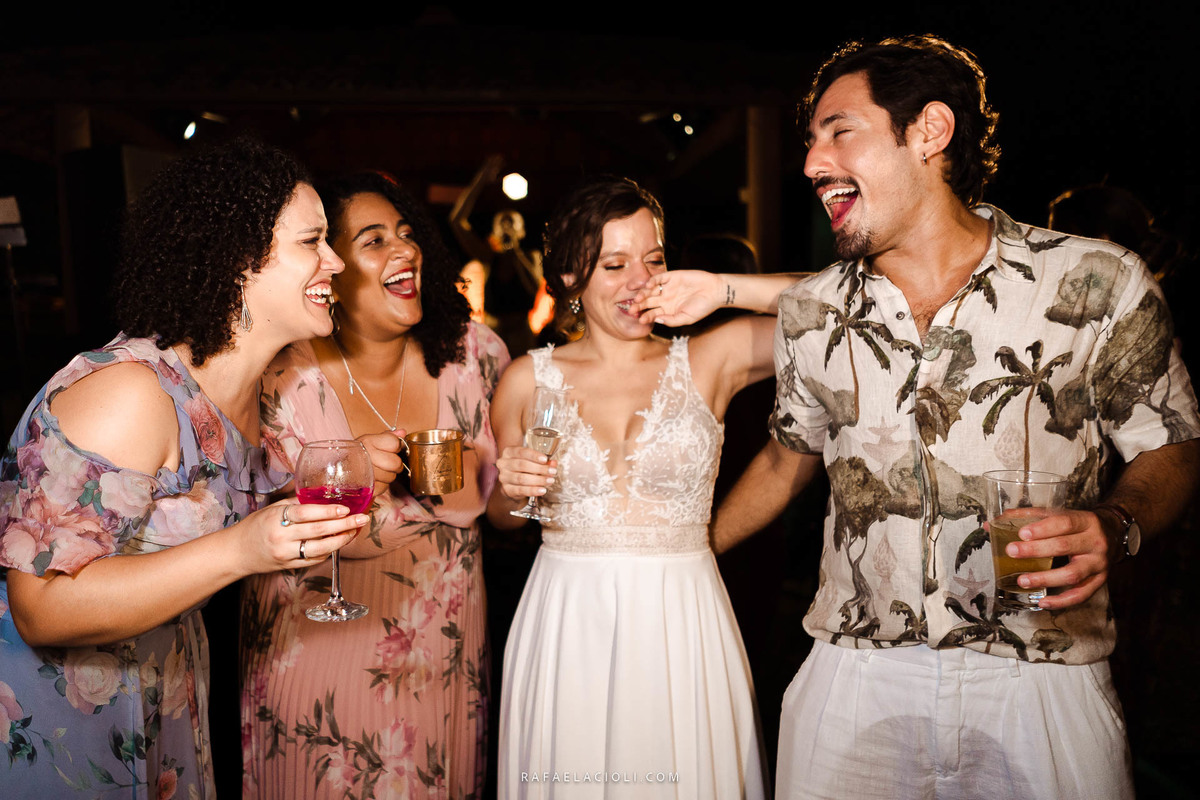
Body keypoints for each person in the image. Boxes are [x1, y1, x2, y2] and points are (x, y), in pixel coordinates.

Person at [675, 35, 1200, 799]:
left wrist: (1116, 526)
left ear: (929, 132)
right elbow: (789, 456)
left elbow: (1172, 444)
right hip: (854, 673)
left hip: (1041, 674)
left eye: (839, 131)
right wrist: (683, 553)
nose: (812, 162)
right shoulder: (814, 310)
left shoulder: (1097, 279)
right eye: (811, 140)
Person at [0, 137, 364, 798]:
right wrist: (243, 548)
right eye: (313, 241)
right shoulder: (133, 394)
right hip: (59, 719)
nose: (336, 261)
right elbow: (41, 607)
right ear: (237, 261)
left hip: (165, 686)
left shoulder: (270, 393)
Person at [487, 177, 797, 799]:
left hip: (683, 613)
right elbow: (502, 517)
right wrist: (511, 489)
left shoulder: (711, 357)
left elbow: (853, 304)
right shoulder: (525, 380)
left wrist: (722, 289)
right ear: (571, 277)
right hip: (568, 618)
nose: (640, 281)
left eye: (653, 260)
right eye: (614, 264)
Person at [241, 171, 510, 799]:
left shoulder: (475, 355)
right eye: (374, 239)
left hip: (442, 655)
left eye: (407, 233)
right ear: (329, 269)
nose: (404, 248)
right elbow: (258, 519)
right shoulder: (280, 376)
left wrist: (520, 485)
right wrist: (355, 474)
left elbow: (504, 512)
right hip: (316, 659)